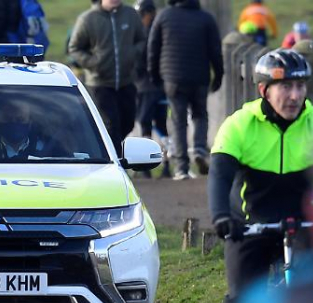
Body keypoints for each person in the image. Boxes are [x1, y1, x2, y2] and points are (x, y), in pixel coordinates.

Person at [208, 49, 313, 303]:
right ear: (264, 90)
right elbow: (219, 174)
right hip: (250, 226)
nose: (295, 95)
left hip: (301, 223)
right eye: (285, 86)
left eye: (300, 86)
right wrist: (220, 216)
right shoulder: (240, 124)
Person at [148, 0, 224, 180]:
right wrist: (218, 75)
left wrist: (155, 76)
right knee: (200, 115)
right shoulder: (206, 18)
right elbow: (215, 50)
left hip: (173, 77)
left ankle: (181, 167)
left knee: (178, 120)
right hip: (199, 77)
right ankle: (199, 149)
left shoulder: (164, 16)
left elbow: (153, 48)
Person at [68, 0, 145, 158]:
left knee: (128, 122)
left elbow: (142, 40)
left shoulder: (130, 15)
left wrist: (132, 54)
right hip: (99, 83)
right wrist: (94, 63)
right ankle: (115, 164)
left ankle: (110, 151)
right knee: (110, 124)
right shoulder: (88, 18)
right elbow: (74, 48)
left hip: (126, 81)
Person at [134, 0, 170, 179]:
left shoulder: (144, 35)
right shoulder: (162, 31)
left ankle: (147, 166)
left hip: (145, 87)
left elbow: (138, 62)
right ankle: (167, 164)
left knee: (145, 123)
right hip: (161, 86)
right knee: (162, 125)